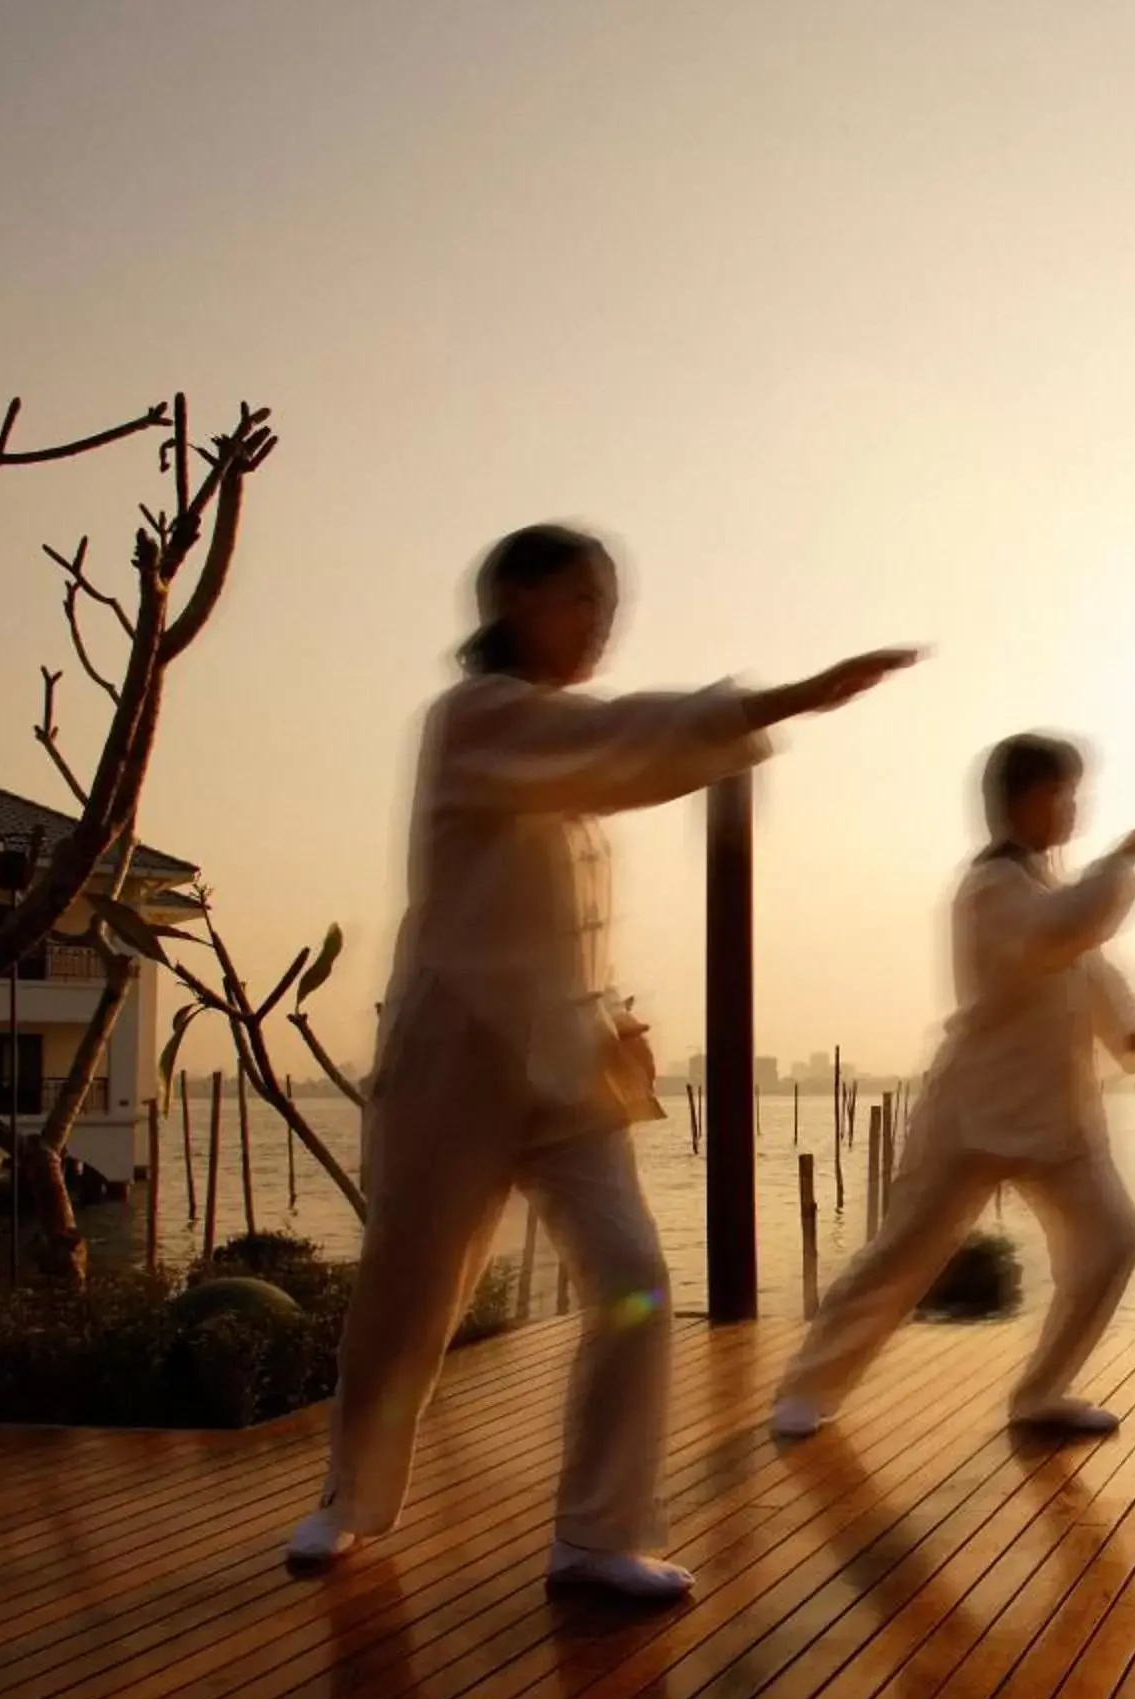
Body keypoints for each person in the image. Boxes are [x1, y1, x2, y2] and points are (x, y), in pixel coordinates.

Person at [285, 523, 917, 1594]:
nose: (602, 622)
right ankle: (351, 1497)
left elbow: (618, 754)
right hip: (457, 1061)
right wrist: (779, 699)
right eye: (583, 599)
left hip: (567, 1070)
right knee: (409, 1299)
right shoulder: (477, 718)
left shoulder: (549, 731)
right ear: (514, 600)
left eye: (609, 602)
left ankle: (597, 1535)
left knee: (633, 1281)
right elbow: (625, 743)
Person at [771, 736, 1135, 1440]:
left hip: (1057, 1117)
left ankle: (1042, 1392)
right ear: (1020, 802)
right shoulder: (991, 887)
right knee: (903, 1255)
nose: (1071, 809)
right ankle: (808, 1387)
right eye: (1059, 794)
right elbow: (1059, 934)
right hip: (973, 1115)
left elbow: (1085, 967)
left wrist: (1130, 1033)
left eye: (1074, 795)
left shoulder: (1044, 886)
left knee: (1113, 1239)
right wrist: (1129, 851)